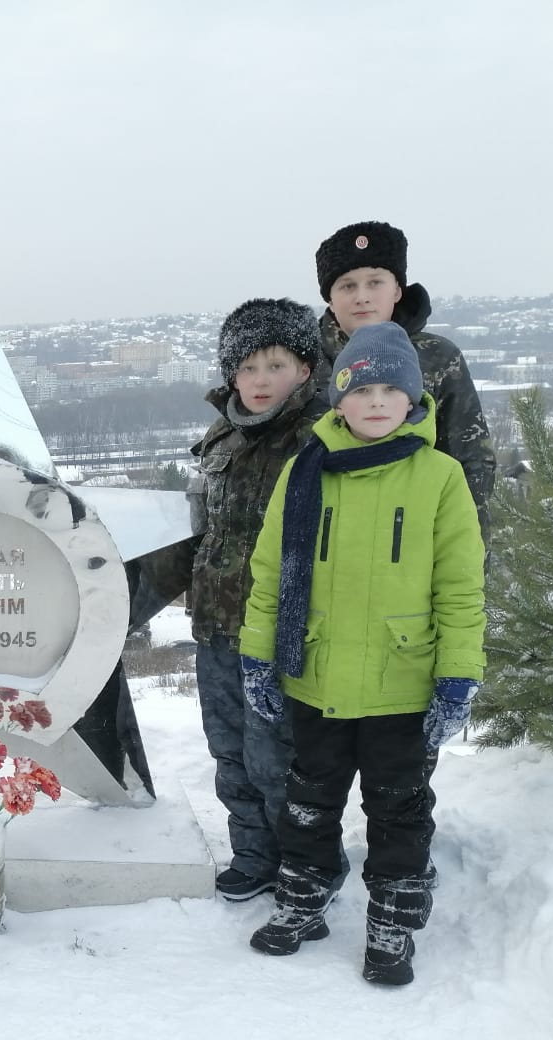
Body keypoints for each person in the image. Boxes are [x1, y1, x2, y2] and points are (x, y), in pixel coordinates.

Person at [239, 322, 485, 986]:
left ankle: (394, 920)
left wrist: (458, 673)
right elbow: (271, 573)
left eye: (390, 389)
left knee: (399, 806)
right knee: (308, 801)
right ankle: (304, 897)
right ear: (338, 399)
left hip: (401, 682)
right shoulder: (306, 469)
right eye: (362, 388)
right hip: (316, 676)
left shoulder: (440, 478)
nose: (376, 401)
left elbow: (461, 587)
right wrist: (258, 657)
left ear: (412, 399)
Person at [188, 299, 334, 902]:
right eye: (247, 367)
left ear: (304, 369)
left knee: (278, 760)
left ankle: (305, 863)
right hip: (216, 626)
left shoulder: (322, 438)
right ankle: (252, 854)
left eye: (275, 365)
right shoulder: (222, 432)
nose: (259, 380)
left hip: (280, 631)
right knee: (229, 754)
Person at [315, 220, 496, 536]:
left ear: (397, 289)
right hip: (323, 539)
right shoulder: (304, 361)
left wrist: (467, 561)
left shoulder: (438, 358)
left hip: (409, 539)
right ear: (329, 297)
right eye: (347, 286)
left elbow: (472, 464)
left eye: (375, 282)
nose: (362, 297)